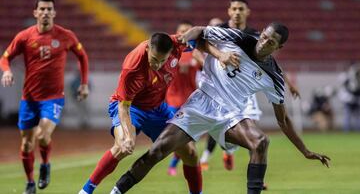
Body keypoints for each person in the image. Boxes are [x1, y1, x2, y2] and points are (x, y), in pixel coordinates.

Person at [110, 22, 330, 194]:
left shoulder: (274, 76)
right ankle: (117, 189)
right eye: (264, 36)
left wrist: (305, 151)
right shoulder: (237, 37)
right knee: (156, 152)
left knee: (261, 142)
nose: (264, 43)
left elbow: (283, 120)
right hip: (201, 104)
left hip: (231, 116)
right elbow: (200, 32)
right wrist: (190, 40)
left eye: (271, 42)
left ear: (279, 47)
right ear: (261, 32)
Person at [79, 32, 238, 194]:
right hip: (131, 107)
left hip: (157, 109)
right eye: (154, 60)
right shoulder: (133, 66)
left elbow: (199, 39)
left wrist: (220, 55)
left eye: (163, 60)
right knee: (123, 146)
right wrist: (128, 135)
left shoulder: (176, 44)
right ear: (148, 48)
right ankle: (86, 190)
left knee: (190, 153)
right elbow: (123, 107)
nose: (158, 65)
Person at [200, 0, 300, 173]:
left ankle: (255, 168)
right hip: (217, 83)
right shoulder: (220, 29)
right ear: (229, 11)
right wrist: (218, 57)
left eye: (241, 9)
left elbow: (271, 64)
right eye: (234, 9)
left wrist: (288, 84)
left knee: (251, 127)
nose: (237, 12)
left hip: (244, 91)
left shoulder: (257, 36)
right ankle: (219, 152)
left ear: (247, 12)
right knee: (217, 121)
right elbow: (200, 45)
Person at [0, 0, 89, 194]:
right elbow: (5, 58)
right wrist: (6, 70)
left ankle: (45, 164)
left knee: (42, 135)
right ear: (35, 13)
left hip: (53, 98)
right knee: (26, 143)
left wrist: (84, 84)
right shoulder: (24, 36)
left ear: (54, 13)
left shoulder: (65, 35)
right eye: (42, 9)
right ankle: (30, 183)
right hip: (29, 98)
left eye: (49, 9)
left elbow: (82, 56)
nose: (46, 12)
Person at [165, 21, 203, 176]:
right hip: (173, 100)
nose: (185, 33)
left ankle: (177, 164)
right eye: (182, 30)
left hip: (192, 101)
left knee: (190, 137)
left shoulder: (196, 51)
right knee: (177, 136)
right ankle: (175, 164)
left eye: (188, 30)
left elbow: (206, 68)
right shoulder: (171, 51)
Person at [338, 63, 360, 131]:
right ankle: (346, 130)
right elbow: (345, 90)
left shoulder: (357, 79)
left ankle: (358, 130)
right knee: (347, 116)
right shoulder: (346, 78)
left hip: (355, 100)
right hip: (348, 100)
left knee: (357, 116)